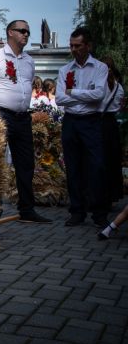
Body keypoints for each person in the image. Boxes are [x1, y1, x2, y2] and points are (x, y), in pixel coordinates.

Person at [0, 19, 51, 223]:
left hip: (22, 117)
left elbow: (26, 86)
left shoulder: (29, 61)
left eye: (28, 31)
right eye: (22, 31)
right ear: (10, 32)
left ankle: (27, 210)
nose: (26, 34)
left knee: (26, 164)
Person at [55, 27, 108, 227]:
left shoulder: (100, 68)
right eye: (71, 45)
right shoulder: (65, 70)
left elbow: (99, 95)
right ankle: (77, 211)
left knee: (96, 167)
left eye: (78, 46)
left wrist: (72, 92)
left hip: (91, 122)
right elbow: (60, 99)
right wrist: (84, 94)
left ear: (88, 45)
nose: (74, 49)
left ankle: (99, 212)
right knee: (73, 167)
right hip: (71, 122)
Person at [99, 57, 124, 204]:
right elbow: (119, 107)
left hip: (99, 122)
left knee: (99, 160)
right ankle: (111, 195)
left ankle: (99, 195)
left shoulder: (99, 86)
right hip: (112, 124)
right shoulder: (118, 87)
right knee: (112, 160)